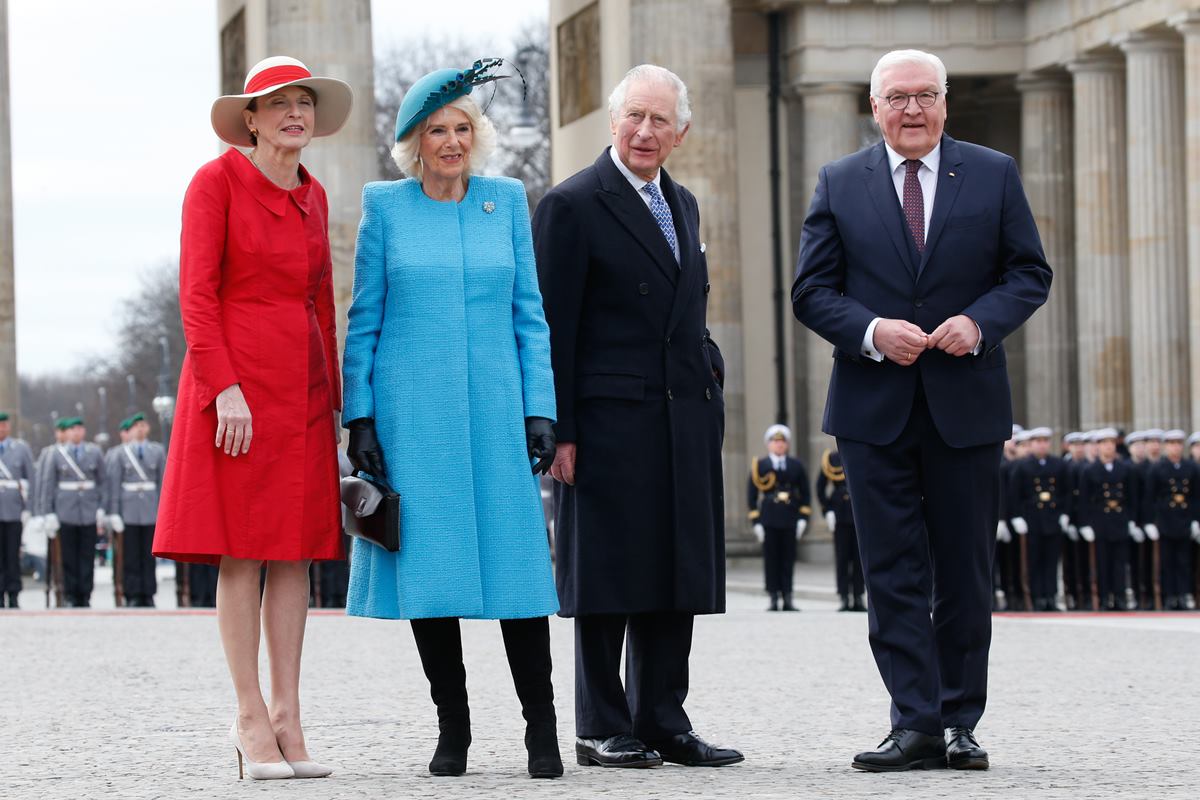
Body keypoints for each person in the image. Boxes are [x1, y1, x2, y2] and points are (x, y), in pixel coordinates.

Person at [792, 48, 1051, 771]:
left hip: (965, 405)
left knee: (967, 572)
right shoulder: (840, 181)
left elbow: (1029, 271)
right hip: (873, 411)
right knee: (893, 572)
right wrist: (872, 332)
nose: (912, 109)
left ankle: (962, 721)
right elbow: (811, 291)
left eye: (926, 95)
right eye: (898, 97)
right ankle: (915, 723)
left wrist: (982, 321)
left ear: (946, 103)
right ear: (874, 107)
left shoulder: (993, 173)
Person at [341, 59, 562, 780]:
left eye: (462, 127)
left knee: (518, 572)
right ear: (414, 143)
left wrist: (540, 409)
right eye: (437, 129)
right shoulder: (386, 207)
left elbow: (530, 316)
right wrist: (361, 417)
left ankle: (542, 731)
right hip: (416, 418)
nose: (451, 140)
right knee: (433, 574)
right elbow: (363, 321)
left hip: (498, 411)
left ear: (478, 134)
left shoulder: (507, 201)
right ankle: (454, 730)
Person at [533, 63, 743, 770]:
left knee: (674, 569)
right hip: (604, 420)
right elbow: (552, 326)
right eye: (635, 117)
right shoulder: (572, 204)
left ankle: (662, 715)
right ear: (613, 122)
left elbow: (690, 304)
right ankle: (600, 722)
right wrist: (556, 429)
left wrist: (710, 363)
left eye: (660, 120)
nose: (645, 131)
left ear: (680, 131)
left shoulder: (682, 203)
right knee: (608, 573)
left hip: (681, 414)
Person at [152, 56, 352, 781]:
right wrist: (221, 388)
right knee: (243, 554)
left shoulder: (317, 195)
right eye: (279, 104)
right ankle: (247, 718)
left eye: (304, 103)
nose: (294, 113)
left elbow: (321, 302)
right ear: (251, 119)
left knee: (295, 552)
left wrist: (331, 402)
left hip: (299, 389)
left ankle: (288, 717)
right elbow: (197, 296)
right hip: (234, 390)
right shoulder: (215, 183)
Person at [36, 418, 105, 608]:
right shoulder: (56, 454)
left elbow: (102, 482)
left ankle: (85, 593)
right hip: (65, 510)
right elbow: (48, 484)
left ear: (83, 431)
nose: (76, 433)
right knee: (68, 555)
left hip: (88, 510)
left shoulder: (94, 452)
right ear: (66, 433)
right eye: (72, 429)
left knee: (87, 555)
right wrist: (47, 512)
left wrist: (101, 508)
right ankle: (70, 593)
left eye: (79, 429)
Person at [747, 425, 811, 612]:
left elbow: (805, 494)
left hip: (789, 516)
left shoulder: (796, 465)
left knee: (788, 558)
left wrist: (802, 518)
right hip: (769, 517)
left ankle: (788, 596)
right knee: (771, 559)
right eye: (775, 442)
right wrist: (756, 522)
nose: (779, 445)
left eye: (782, 442)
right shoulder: (759, 465)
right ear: (769, 445)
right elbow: (751, 497)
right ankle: (773, 596)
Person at [106, 413, 166, 607]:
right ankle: (131, 593)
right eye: (136, 426)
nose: (140, 429)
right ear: (129, 430)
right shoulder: (120, 454)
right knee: (130, 554)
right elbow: (114, 483)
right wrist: (114, 511)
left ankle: (148, 593)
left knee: (149, 555)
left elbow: (162, 482)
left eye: (143, 425)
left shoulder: (157, 451)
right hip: (128, 508)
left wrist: (162, 510)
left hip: (150, 507)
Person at [1008, 427, 1070, 611]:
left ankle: (1050, 596)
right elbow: (1014, 494)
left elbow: (1066, 492)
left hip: (1052, 517)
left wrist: (1065, 514)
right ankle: (1036, 597)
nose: (1042, 445)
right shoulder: (1022, 466)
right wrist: (1017, 517)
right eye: (1038, 441)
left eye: (1045, 441)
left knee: (1051, 560)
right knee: (1033, 560)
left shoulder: (1058, 464)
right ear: (1031, 444)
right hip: (1031, 518)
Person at [1077, 429, 1138, 611]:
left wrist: (1132, 520)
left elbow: (1132, 497)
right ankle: (1104, 598)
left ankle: (1119, 597)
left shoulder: (1125, 469)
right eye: (1104, 443)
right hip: (1099, 521)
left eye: (1111, 443)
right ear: (1098, 446)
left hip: (1119, 519)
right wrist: (1085, 524)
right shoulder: (1089, 470)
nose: (1108, 447)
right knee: (1102, 562)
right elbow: (1084, 500)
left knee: (1119, 562)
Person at [1141, 430, 1200, 610]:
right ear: (1166, 446)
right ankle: (1169, 596)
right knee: (1166, 561)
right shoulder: (1157, 468)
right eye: (1171, 444)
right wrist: (1149, 522)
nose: (1175, 447)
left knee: (1184, 561)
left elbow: (1195, 496)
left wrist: (1196, 520)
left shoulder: (1191, 468)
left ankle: (1182, 595)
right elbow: (1149, 497)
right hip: (1164, 520)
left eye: (1178, 444)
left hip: (1184, 519)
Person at [816, 446, 864, 612]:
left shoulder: (862, 451)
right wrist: (827, 509)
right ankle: (844, 596)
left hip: (859, 511)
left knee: (860, 558)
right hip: (840, 513)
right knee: (842, 557)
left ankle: (858, 596)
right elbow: (820, 487)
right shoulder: (831, 458)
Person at [0, 412, 37, 608]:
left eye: (4, 425)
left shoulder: (21, 449)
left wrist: (29, 508)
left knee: (13, 554)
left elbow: (31, 479)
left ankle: (13, 593)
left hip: (14, 509)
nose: (2, 428)